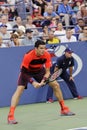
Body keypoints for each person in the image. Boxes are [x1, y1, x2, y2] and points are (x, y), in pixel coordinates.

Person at [7, 40, 75, 124]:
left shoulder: (46, 54)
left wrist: (44, 78)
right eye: (41, 48)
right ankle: (10, 116)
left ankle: (63, 109)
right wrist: (33, 82)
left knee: (56, 85)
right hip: (26, 72)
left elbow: (47, 71)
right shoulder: (28, 56)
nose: (43, 50)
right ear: (36, 48)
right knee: (19, 90)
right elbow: (24, 73)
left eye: (44, 48)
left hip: (39, 71)